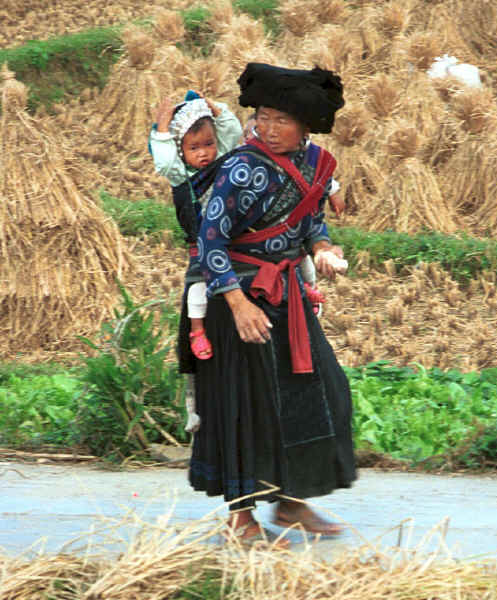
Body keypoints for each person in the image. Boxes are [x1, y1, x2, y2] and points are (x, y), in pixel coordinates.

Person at [178, 63, 357, 546]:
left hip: (287, 301)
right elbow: (209, 242)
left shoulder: (314, 164)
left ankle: (291, 501)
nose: (267, 128)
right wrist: (237, 305)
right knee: (242, 408)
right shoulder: (240, 167)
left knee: (321, 394)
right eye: (262, 116)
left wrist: (322, 248)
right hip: (235, 298)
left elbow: (310, 222)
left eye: (280, 119)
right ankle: (241, 519)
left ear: (305, 125)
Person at [149, 91, 243, 361]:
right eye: (194, 148)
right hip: (203, 238)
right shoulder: (181, 174)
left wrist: (213, 107)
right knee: (198, 282)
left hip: (234, 234)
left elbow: (233, 129)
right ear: (181, 150)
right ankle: (197, 330)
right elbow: (164, 160)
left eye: (208, 144)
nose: (204, 153)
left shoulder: (223, 159)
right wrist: (163, 127)